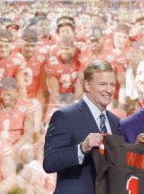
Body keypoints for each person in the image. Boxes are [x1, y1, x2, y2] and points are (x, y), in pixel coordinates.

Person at [43, 59, 120, 194]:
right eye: (103, 84)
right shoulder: (65, 116)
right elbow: (50, 162)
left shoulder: (116, 122)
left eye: (112, 85)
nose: (109, 90)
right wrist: (82, 148)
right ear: (87, 85)